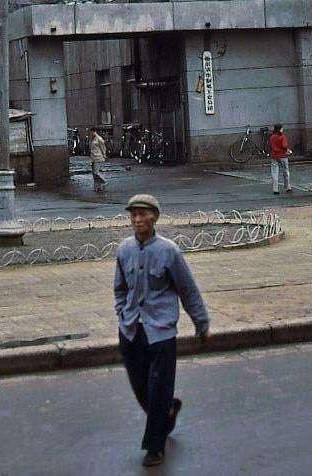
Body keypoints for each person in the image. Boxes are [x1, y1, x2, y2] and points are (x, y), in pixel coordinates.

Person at [114, 194, 210, 468]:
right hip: (131, 329)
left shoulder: (169, 251)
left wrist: (200, 323)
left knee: (158, 388)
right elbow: (120, 289)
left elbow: (187, 290)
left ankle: (154, 447)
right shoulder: (124, 250)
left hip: (161, 331)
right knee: (141, 387)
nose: (137, 220)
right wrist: (122, 312)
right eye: (133, 215)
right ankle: (168, 411)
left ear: (154, 218)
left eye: (142, 215)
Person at [269, 124, 293, 195]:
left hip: (274, 156)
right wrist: (288, 150)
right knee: (286, 171)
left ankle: (275, 189)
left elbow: (270, 146)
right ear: (280, 129)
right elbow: (284, 146)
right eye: (282, 128)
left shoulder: (272, 137)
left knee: (274, 173)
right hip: (283, 155)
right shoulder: (282, 136)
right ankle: (288, 187)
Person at [88, 126, 107, 192]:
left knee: (96, 173)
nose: (90, 133)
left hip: (98, 157)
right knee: (94, 174)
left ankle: (104, 181)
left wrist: (104, 155)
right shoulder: (92, 139)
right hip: (93, 158)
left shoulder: (99, 139)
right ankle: (97, 187)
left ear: (94, 131)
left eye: (91, 132)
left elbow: (103, 148)